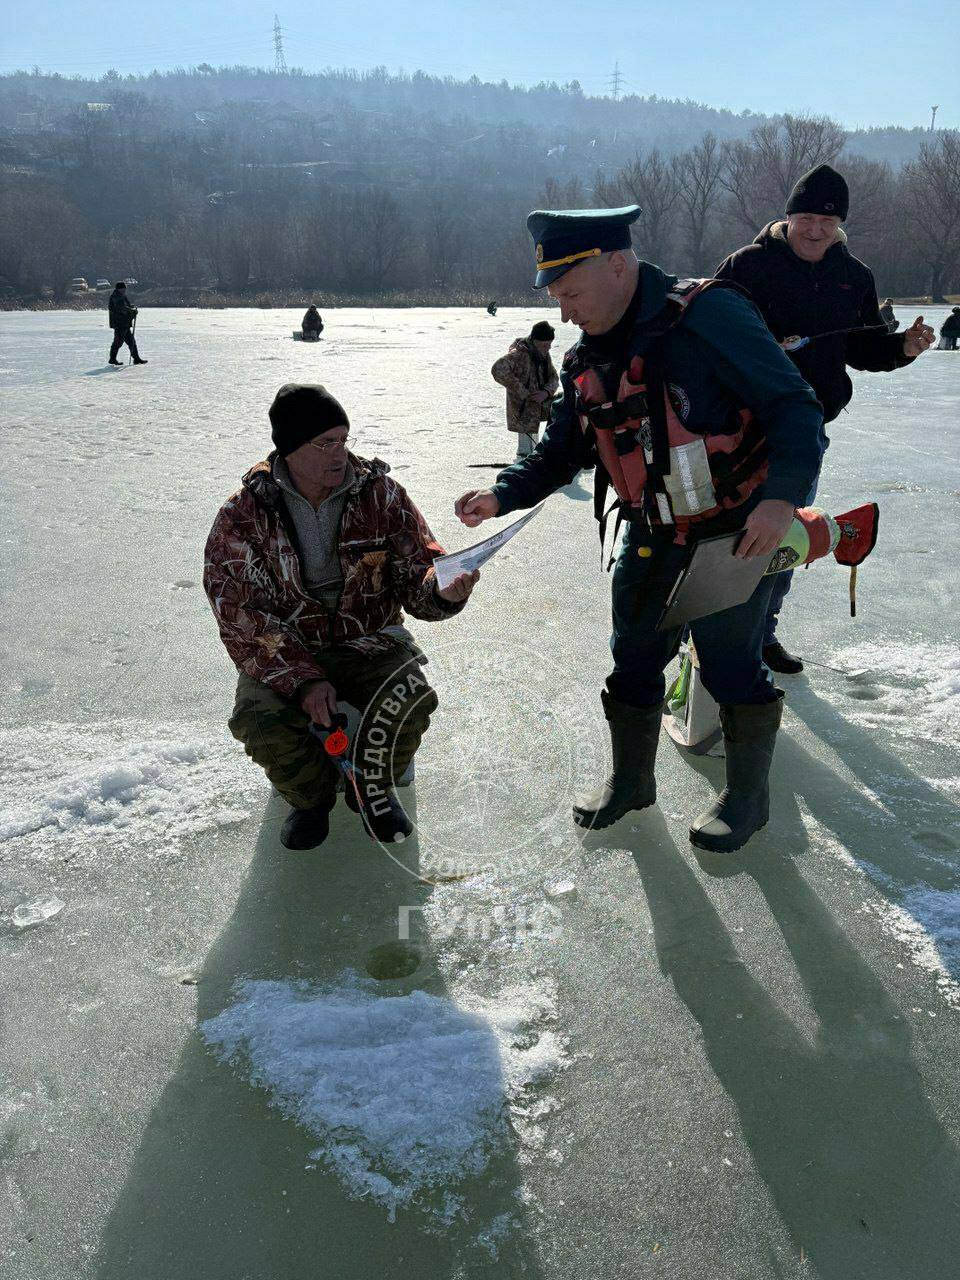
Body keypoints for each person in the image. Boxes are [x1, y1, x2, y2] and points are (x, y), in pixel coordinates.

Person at [455, 206, 824, 854]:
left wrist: (780, 501)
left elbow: (795, 407)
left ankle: (748, 800)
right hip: (652, 531)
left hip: (733, 532)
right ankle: (632, 784)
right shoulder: (585, 357)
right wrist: (501, 494)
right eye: (556, 297)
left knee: (731, 667)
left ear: (618, 266)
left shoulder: (710, 315)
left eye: (570, 292)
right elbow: (562, 449)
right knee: (633, 661)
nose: (564, 311)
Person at [204, 383, 478, 851]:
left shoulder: (382, 496)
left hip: (370, 640)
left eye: (343, 440)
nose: (340, 454)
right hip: (285, 648)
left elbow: (418, 570)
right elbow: (240, 614)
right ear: (290, 448)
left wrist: (441, 590)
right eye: (325, 443)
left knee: (409, 698)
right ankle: (310, 801)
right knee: (258, 719)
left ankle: (371, 790)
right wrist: (304, 680)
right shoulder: (243, 515)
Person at [716, 164, 934, 673]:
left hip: (805, 433)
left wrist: (902, 348)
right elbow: (705, 333)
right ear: (788, 217)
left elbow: (863, 348)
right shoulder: (748, 266)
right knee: (726, 536)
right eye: (807, 218)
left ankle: (762, 635)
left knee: (786, 538)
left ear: (840, 225)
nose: (816, 230)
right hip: (736, 427)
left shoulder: (853, 277)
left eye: (828, 222)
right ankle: (708, 633)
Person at [491, 320, 560, 461]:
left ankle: (547, 453)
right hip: (524, 406)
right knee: (526, 437)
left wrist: (546, 392)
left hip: (540, 402)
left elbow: (554, 377)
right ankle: (523, 458)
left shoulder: (543, 355)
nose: (548, 348)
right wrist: (522, 392)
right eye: (544, 345)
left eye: (549, 345)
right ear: (534, 341)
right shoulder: (518, 354)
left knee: (563, 405)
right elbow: (498, 369)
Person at [107, 281, 147, 366]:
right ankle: (112, 359)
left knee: (131, 341)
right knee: (118, 342)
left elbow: (125, 306)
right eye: (123, 289)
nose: (124, 290)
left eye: (125, 289)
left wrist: (131, 307)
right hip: (119, 323)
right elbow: (121, 308)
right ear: (119, 289)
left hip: (124, 323)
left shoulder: (121, 296)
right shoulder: (116, 296)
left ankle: (136, 358)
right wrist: (132, 310)